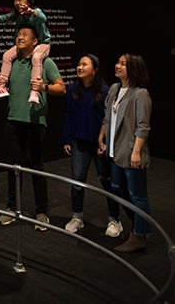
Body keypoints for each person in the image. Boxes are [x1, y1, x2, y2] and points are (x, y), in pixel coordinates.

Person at [0, 25, 66, 231]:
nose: (20, 37)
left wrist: (44, 87)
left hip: (35, 122)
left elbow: (61, 88)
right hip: (12, 120)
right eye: (18, 34)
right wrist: (2, 81)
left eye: (25, 35)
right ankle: (12, 208)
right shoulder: (13, 61)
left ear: (36, 41)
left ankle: (41, 211)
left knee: (36, 166)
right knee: (13, 166)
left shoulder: (45, 62)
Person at [62, 54, 124, 238]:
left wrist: (104, 141)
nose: (79, 67)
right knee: (77, 181)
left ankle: (115, 219)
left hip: (99, 145)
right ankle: (77, 217)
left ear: (95, 70)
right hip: (78, 142)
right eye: (79, 64)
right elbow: (68, 114)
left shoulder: (104, 91)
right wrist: (66, 139)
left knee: (107, 182)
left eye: (84, 64)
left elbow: (109, 120)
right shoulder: (72, 88)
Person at [98, 53, 154, 253]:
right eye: (118, 61)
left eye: (123, 63)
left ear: (133, 68)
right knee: (117, 189)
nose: (118, 65)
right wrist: (101, 138)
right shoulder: (114, 89)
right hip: (114, 153)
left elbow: (143, 126)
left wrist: (137, 151)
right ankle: (139, 226)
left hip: (131, 152)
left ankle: (139, 235)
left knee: (137, 195)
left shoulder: (140, 94)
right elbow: (107, 117)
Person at [0, 0, 51, 103]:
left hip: (42, 44)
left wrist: (32, 11)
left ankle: (35, 91)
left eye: (20, 0)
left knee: (36, 57)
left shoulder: (36, 12)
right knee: (7, 56)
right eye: (15, 0)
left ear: (29, 2)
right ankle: (1, 87)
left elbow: (43, 18)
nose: (17, 3)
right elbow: (3, 19)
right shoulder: (17, 14)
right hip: (25, 45)